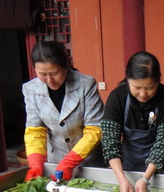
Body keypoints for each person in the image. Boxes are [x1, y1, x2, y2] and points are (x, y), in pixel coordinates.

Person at [101, 51, 164, 192]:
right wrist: (121, 178)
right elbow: (110, 140)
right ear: (128, 79)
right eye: (137, 87)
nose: (143, 94)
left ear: (158, 80)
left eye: (150, 88)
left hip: (162, 170)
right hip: (128, 168)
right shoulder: (117, 97)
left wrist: (145, 178)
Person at [23, 41, 105, 182]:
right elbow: (35, 130)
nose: (49, 80)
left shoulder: (85, 84)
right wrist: (35, 163)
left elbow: (95, 129)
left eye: (54, 73)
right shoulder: (30, 89)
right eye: (42, 74)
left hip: (89, 161)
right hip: (56, 161)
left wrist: (70, 161)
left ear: (65, 66)